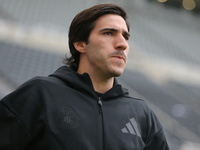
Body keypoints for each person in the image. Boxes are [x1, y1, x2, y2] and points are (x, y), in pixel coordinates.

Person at [0, 3, 170, 150]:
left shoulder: (142, 114)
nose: (122, 44)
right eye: (109, 33)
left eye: (125, 36)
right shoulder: (39, 94)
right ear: (80, 44)